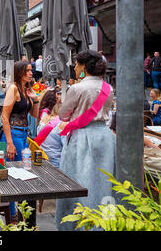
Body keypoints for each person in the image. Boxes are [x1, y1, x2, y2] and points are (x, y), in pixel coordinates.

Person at [55, 50, 115, 231]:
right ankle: (102, 223)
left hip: (82, 137)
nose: (74, 66)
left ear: (83, 66)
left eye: (76, 63)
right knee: (104, 182)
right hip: (104, 137)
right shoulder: (108, 88)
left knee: (77, 181)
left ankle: (75, 224)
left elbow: (63, 115)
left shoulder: (77, 88)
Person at [0, 60, 39, 221]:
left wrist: (35, 99)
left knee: (24, 172)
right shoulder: (13, 88)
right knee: (14, 174)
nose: (31, 73)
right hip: (14, 135)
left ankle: (21, 214)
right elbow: (4, 116)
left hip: (24, 135)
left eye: (31, 70)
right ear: (20, 72)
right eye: (28, 71)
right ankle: (13, 215)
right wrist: (9, 143)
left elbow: (35, 115)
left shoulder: (27, 90)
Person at [36, 104, 68, 168]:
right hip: (56, 162)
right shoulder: (63, 124)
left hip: (41, 158)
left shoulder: (44, 119)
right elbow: (67, 149)